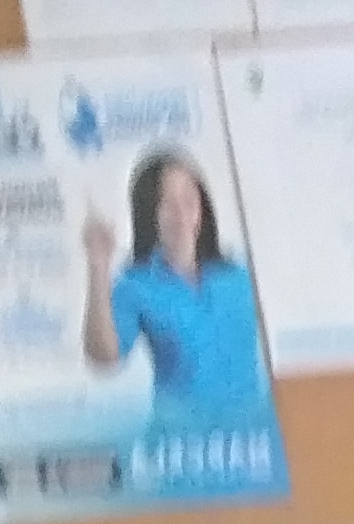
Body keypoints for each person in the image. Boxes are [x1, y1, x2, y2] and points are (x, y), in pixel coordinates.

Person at [80, 146, 267, 413]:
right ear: (148, 212)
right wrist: (98, 267)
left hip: (249, 432)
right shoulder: (137, 284)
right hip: (181, 435)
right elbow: (104, 356)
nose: (180, 213)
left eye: (188, 199)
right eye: (167, 203)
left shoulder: (238, 274)